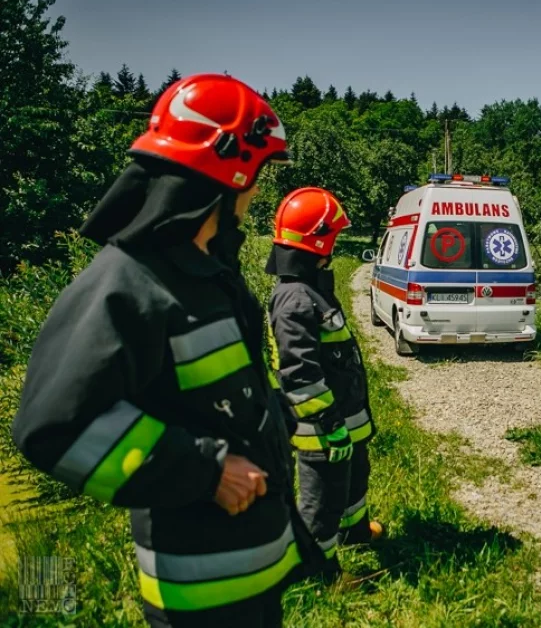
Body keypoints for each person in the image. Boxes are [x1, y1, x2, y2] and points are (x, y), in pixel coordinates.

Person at [12, 73, 326, 628]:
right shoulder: (127, 283)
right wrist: (206, 471)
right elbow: (55, 425)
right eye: (257, 178)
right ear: (230, 176)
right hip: (199, 595)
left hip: (252, 573)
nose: (258, 194)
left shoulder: (205, 274)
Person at [265, 187, 384, 582]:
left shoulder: (311, 290)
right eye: (333, 238)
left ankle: (355, 531)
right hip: (323, 429)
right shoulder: (294, 300)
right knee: (322, 501)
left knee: (354, 481)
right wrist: (329, 424)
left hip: (344, 421)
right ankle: (320, 572)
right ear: (319, 242)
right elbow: (299, 372)